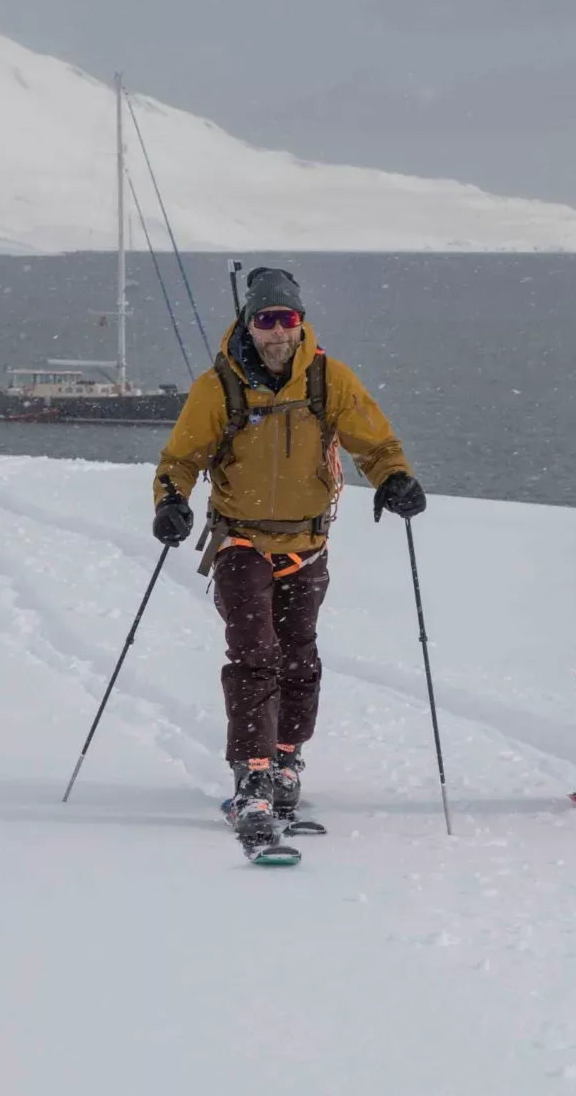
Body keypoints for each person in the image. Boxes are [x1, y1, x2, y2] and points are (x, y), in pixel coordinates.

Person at [151, 267, 425, 852]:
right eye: (266, 320)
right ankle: (253, 775)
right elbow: (180, 460)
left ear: (301, 323)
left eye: (287, 319)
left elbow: (375, 442)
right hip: (240, 540)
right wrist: (171, 502)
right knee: (255, 653)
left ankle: (285, 759)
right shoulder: (218, 387)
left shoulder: (328, 379)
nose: (277, 331)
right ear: (249, 324)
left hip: (307, 543)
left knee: (300, 654)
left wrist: (395, 478)